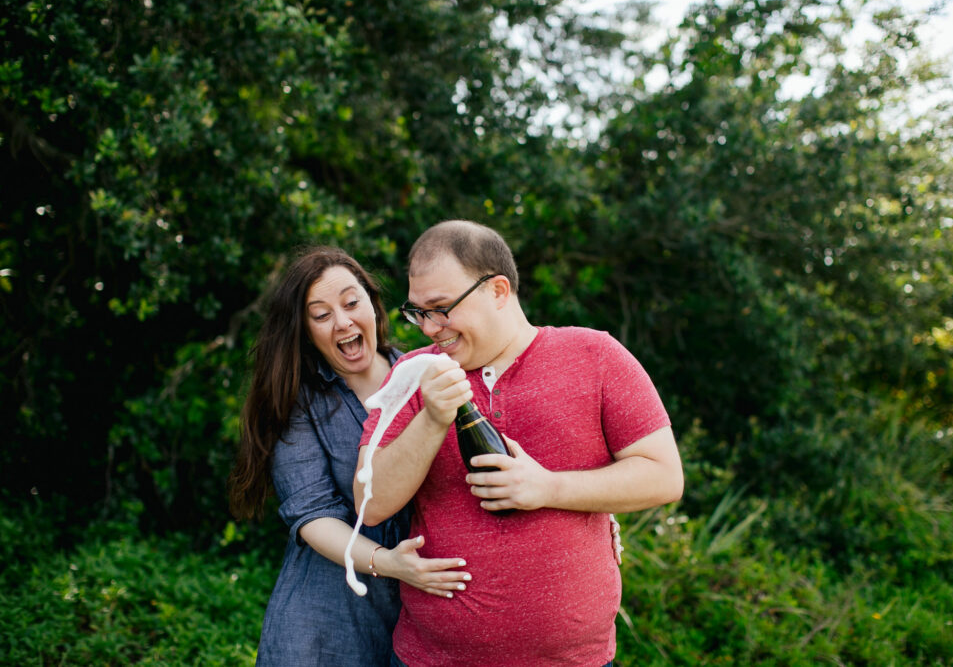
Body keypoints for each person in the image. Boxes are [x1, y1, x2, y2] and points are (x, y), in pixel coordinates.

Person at [354, 220, 685, 666]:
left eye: (441, 308)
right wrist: (433, 418)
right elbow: (370, 503)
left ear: (498, 291)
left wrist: (548, 488)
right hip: (431, 659)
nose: (429, 328)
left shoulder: (595, 356)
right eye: (418, 312)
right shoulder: (414, 374)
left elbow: (664, 477)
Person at [227, 246, 472, 666]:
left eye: (351, 303)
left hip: (423, 620)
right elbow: (313, 515)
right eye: (321, 315)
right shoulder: (297, 403)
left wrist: (581, 516)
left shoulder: (429, 372)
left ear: (373, 305)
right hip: (325, 620)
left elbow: (499, 453)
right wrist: (388, 563)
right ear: (305, 330)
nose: (342, 322)